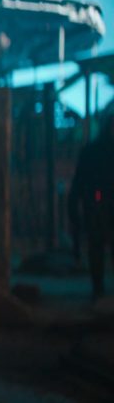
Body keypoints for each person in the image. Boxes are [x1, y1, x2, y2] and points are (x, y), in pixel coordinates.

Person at [69, 116, 114, 302]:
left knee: (97, 246)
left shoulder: (91, 151)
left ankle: (98, 289)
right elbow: (80, 181)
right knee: (96, 246)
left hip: (97, 203)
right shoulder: (93, 151)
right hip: (98, 203)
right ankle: (98, 288)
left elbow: (79, 182)